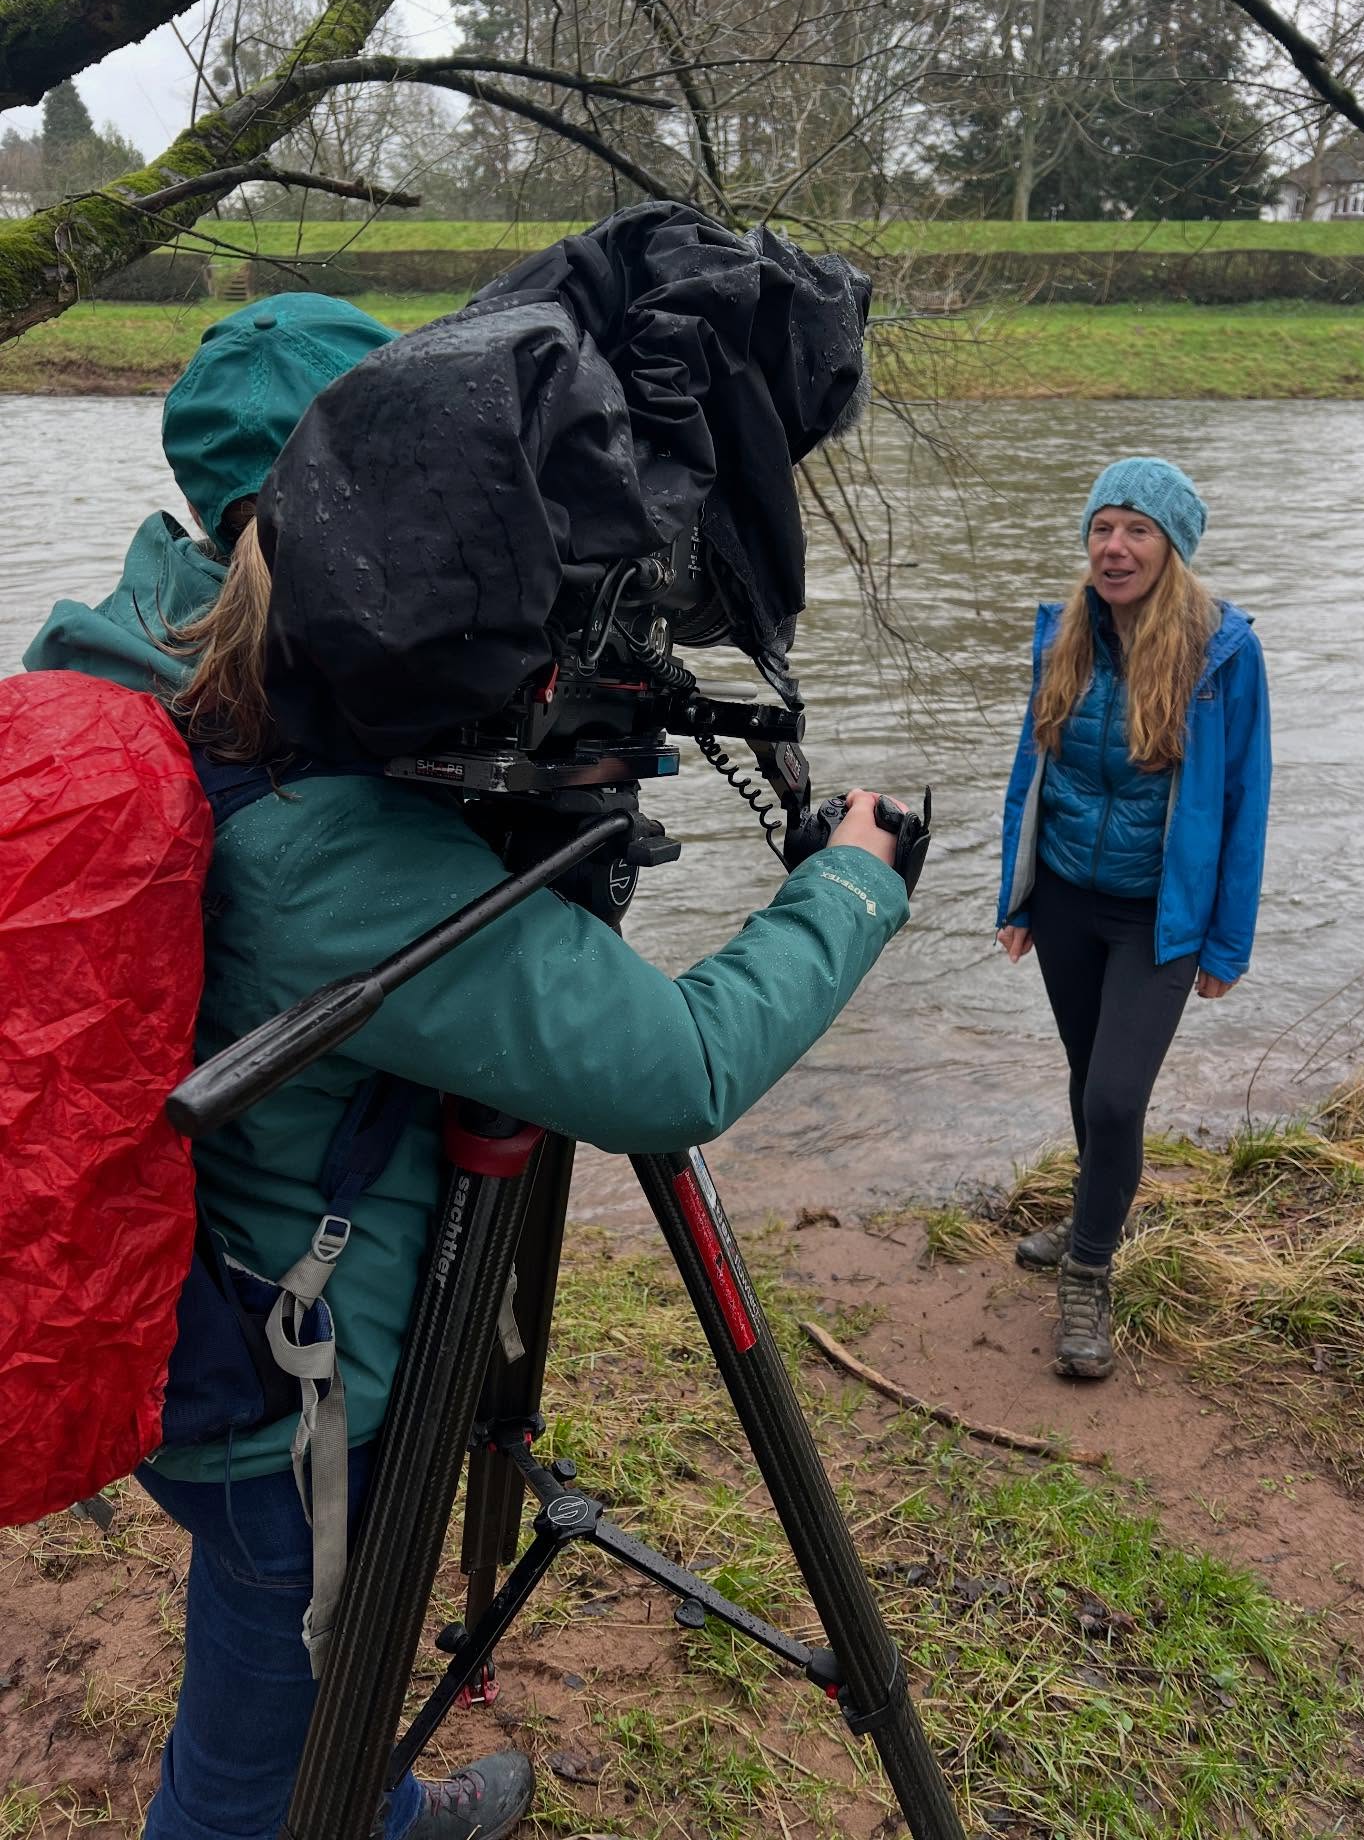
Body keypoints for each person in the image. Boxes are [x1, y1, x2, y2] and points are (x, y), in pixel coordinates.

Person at [26, 287, 912, 1840]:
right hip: (288, 1399)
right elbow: (679, 1067)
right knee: (244, 1782)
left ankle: (374, 1796)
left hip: (186, 1316)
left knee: (304, 1659)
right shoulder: (327, 843)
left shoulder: (115, 656)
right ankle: (331, 1803)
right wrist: (853, 878)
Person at [995, 456, 1270, 1382]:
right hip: (1069, 897)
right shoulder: (1062, 635)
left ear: (1172, 548)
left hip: (1160, 915)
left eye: (1137, 530)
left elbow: (1244, 797)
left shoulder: (1221, 653)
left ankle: (1089, 1268)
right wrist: (1018, 893)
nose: (1114, 547)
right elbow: (1030, 772)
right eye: (1103, 528)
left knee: (1117, 1095)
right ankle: (1093, 1210)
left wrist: (1227, 939)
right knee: (1087, 1082)